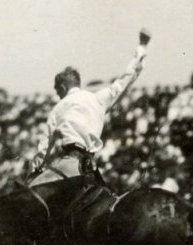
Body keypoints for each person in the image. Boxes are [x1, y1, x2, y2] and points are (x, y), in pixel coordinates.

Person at [27, 29, 151, 186]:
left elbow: (43, 148)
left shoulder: (60, 107)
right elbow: (125, 80)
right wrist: (142, 48)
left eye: (57, 90)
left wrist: (32, 174)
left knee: (33, 193)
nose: (57, 94)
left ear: (63, 86)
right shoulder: (98, 99)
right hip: (90, 167)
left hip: (70, 164)